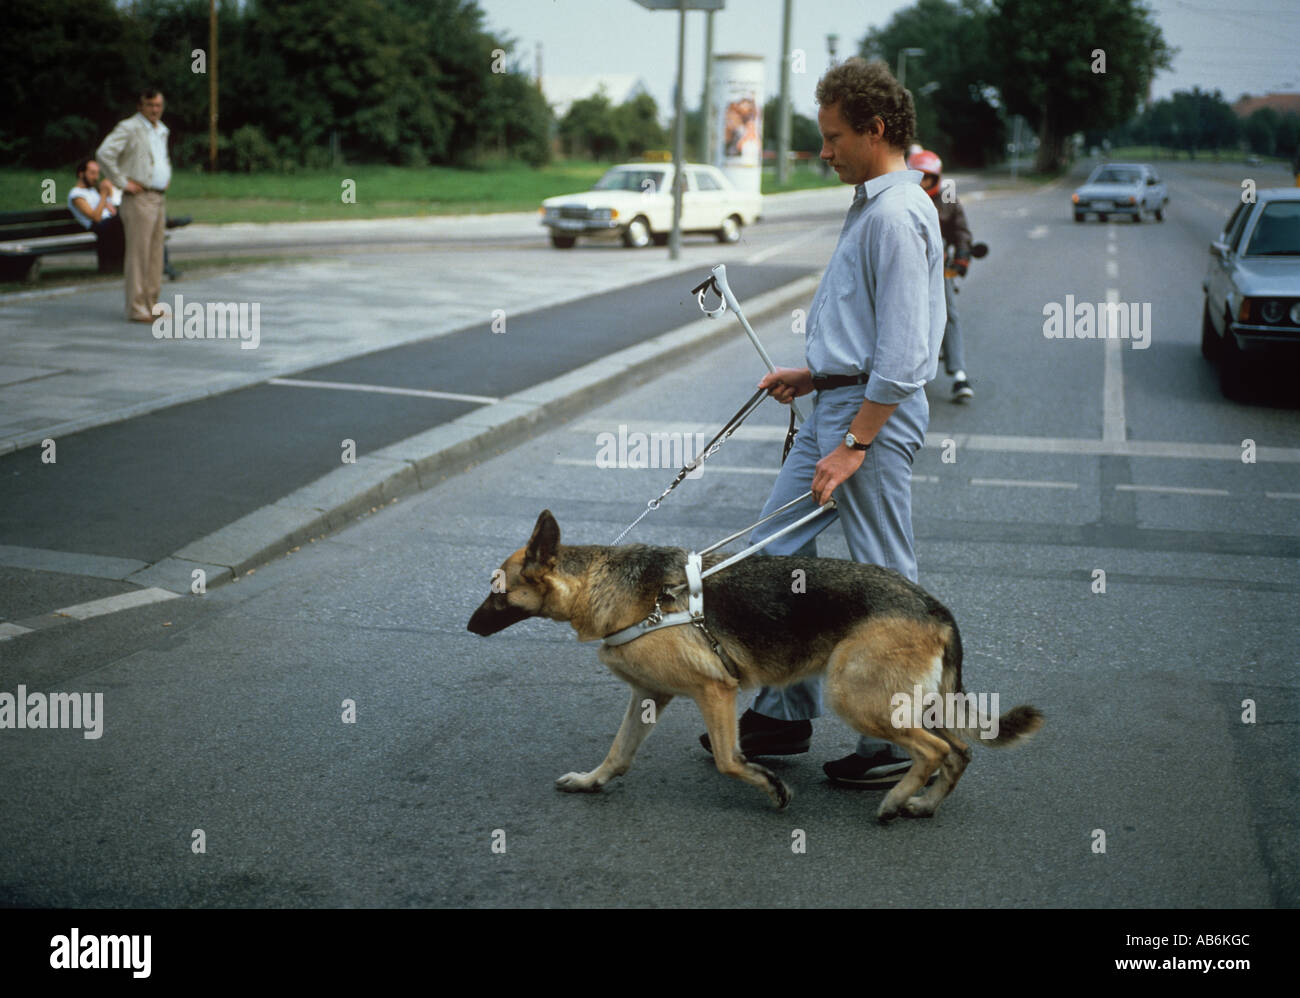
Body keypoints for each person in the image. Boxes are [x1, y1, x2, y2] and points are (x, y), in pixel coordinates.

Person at [699, 57, 947, 789]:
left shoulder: (898, 215)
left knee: (882, 578)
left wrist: (855, 442)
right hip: (837, 400)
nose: (825, 150)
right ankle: (784, 710)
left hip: (871, 414)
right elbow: (871, 331)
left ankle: (898, 739)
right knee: (768, 558)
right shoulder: (873, 204)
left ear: (876, 129)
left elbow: (904, 358)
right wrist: (817, 375)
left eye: (834, 136)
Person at [96, 88, 171, 322]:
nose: (155, 110)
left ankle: (152, 303)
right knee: (139, 254)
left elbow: (159, 158)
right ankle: (137, 307)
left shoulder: (161, 130)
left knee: (156, 253)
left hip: (158, 197)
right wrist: (121, 182)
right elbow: (104, 153)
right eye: (150, 105)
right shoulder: (129, 127)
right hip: (139, 198)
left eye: (158, 105)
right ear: (140, 107)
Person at [909, 148, 975, 402]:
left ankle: (959, 375)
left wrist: (962, 257)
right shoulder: (904, 197)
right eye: (919, 176)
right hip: (904, 266)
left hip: (938, 267)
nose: (924, 182)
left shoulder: (947, 198)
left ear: (937, 178)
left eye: (928, 177)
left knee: (949, 313)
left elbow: (961, 231)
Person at [67, 158, 125, 272]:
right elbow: (96, 218)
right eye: (92, 173)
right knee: (125, 219)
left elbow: (113, 210)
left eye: (97, 173)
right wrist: (103, 195)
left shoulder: (93, 190)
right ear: (81, 174)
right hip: (98, 226)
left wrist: (109, 192)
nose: (96, 177)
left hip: (110, 223)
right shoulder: (76, 194)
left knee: (129, 216)